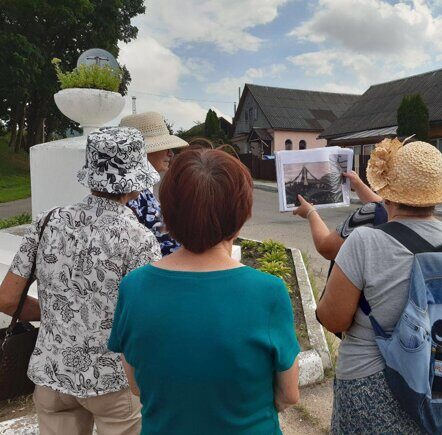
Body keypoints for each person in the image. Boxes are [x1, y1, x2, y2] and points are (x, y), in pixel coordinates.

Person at [108, 149, 300, 434]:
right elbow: (288, 395)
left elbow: (136, 386)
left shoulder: (134, 287)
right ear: (241, 213)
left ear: (169, 212)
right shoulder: (268, 292)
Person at [0, 127, 161, 435]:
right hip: (113, 382)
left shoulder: (47, 222)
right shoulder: (139, 239)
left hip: (52, 376)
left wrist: (59, 315)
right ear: (137, 182)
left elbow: (7, 299)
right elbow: (146, 324)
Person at [315, 138, 442, 434]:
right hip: (436, 382)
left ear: (386, 191)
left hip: (369, 380)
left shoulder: (365, 242)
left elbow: (333, 318)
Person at [120, 111, 188, 256]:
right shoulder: (133, 194)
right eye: (164, 148)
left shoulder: (137, 189)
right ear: (143, 152)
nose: (170, 153)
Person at [293, 170, 386, 261]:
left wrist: (310, 212)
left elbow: (327, 249)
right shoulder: (393, 212)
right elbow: (382, 204)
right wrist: (358, 185)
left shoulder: (370, 212)